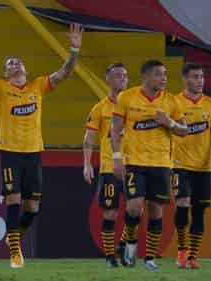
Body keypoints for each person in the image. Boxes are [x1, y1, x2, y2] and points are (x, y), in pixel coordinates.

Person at [0, 21, 83, 268]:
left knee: (32, 207)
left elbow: (65, 73)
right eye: (9, 64)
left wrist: (74, 50)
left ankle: (13, 236)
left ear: (24, 67)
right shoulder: (1, 88)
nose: (15, 64)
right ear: (6, 73)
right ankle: (16, 253)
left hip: (34, 152)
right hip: (9, 152)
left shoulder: (38, 86)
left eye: (17, 61)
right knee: (13, 200)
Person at [111, 60, 188, 271]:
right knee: (134, 207)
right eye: (158, 74)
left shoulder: (171, 101)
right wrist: (117, 157)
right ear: (145, 77)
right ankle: (130, 248)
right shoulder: (126, 97)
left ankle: (150, 258)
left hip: (162, 164)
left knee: (155, 211)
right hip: (135, 162)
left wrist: (169, 123)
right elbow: (115, 129)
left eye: (165, 74)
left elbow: (184, 130)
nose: (163, 78)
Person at [172, 63, 211, 269]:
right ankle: (181, 251)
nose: (200, 81)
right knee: (182, 203)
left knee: (199, 211)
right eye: (195, 77)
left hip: (204, 167)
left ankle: (192, 256)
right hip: (180, 165)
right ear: (185, 79)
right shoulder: (175, 102)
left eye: (202, 77)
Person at [83, 63, 128, 267]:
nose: (123, 79)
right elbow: (89, 138)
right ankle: (110, 256)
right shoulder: (100, 107)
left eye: (125, 75)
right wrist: (87, 163)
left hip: (133, 166)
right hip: (109, 167)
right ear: (108, 80)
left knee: (137, 209)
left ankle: (123, 243)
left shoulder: (135, 105)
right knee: (110, 212)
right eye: (118, 75)